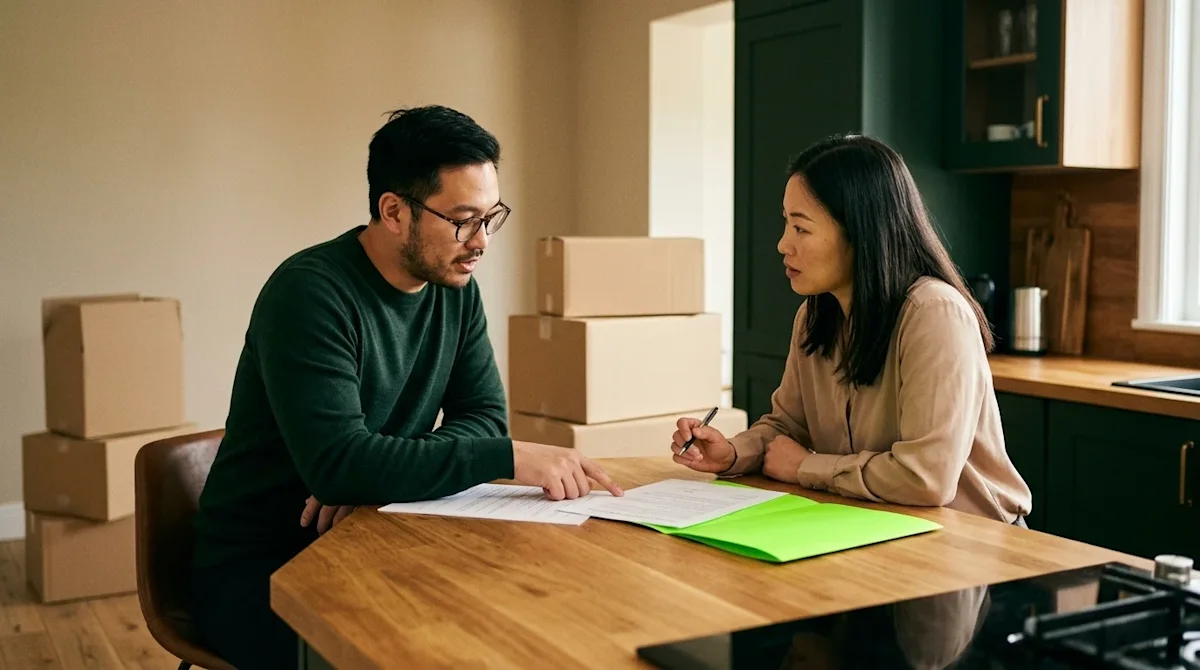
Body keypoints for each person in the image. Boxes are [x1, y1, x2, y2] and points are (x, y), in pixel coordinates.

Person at [189, 105, 623, 669]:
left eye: (492, 217)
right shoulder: (309, 295)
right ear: (394, 211)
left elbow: (482, 417)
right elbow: (341, 463)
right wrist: (506, 458)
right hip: (267, 566)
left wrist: (376, 474)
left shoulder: (455, 286)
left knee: (518, 631)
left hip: (383, 532)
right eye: (463, 219)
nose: (482, 241)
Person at [670, 133, 1031, 526]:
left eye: (801, 228)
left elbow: (926, 478)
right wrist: (733, 453)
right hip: (873, 526)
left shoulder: (934, 313)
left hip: (975, 543)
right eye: (785, 224)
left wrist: (807, 467)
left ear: (860, 231)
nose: (782, 244)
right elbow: (787, 428)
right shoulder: (814, 315)